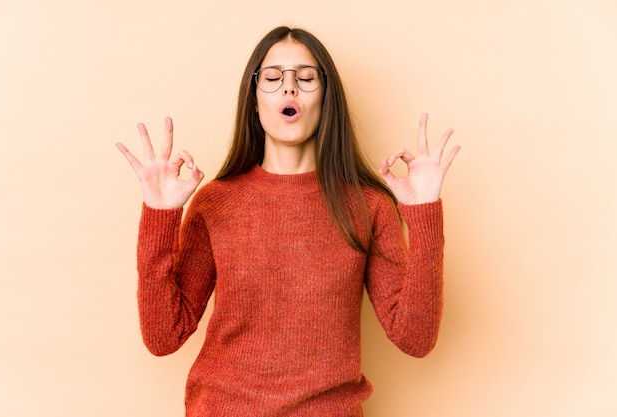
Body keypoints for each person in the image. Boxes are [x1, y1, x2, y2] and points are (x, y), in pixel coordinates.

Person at [116, 26, 459, 417]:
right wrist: (160, 216)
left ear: (326, 98)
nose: (289, 88)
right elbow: (163, 337)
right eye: (274, 78)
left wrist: (425, 213)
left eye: (306, 78)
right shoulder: (215, 203)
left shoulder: (369, 206)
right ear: (254, 100)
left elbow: (415, 338)